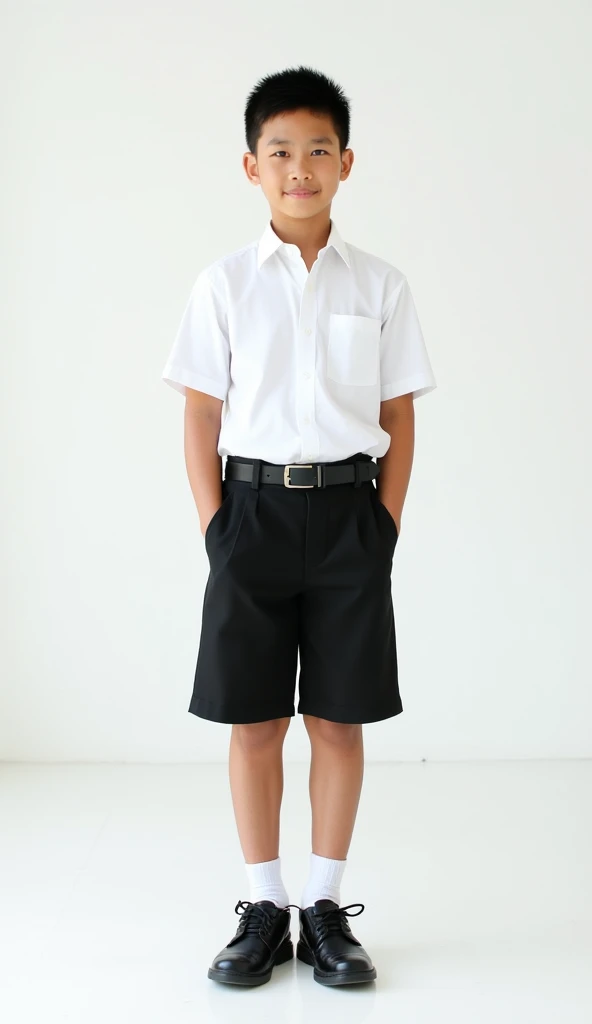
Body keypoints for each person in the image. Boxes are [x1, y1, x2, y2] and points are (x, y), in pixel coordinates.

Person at [161, 65, 437, 988]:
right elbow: (201, 414)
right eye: (280, 151)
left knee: (338, 719)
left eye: (319, 149)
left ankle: (324, 909)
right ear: (252, 167)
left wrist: (383, 527)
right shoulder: (226, 282)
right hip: (251, 516)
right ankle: (263, 906)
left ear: (346, 162)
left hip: (351, 517)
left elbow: (400, 416)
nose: (300, 168)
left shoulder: (382, 284)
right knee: (253, 720)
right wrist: (217, 530)